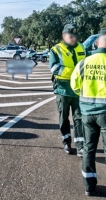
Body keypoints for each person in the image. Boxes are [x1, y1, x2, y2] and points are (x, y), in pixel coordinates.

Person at [71, 28, 106, 196]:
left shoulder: (84, 62)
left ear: (96, 42)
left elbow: (75, 85)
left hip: (87, 113)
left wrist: (85, 98)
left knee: (88, 149)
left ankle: (89, 186)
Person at [49, 24, 88, 156]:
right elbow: (54, 68)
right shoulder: (55, 50)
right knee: (64, 118)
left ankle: (80, 145)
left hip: (79, 90)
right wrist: (76, 72)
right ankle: (66, 142)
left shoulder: (82, 47)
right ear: (63, 36)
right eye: (70, 36)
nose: (73, 38)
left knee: (79, 118)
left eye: (75, 36)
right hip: (63, 90)